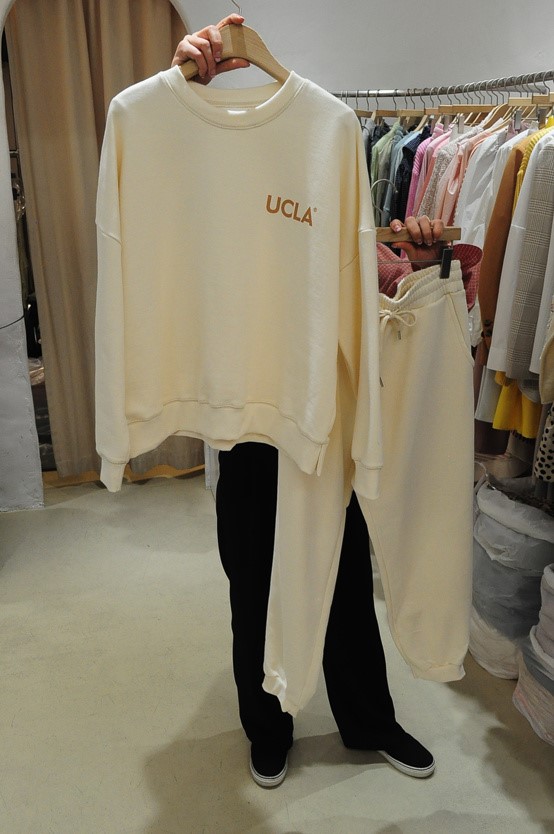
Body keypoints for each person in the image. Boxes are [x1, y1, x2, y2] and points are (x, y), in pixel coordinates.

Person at [171, 16, 447, 789]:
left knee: (343, 574)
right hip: (247, 415)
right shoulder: (206, 168)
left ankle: (368, 719)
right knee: (254, 580)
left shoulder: (329, 154)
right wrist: (184, 87)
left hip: (327, 413)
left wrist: (423, 259)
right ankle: (268, 726)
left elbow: (377, 282)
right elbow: (162, 188)